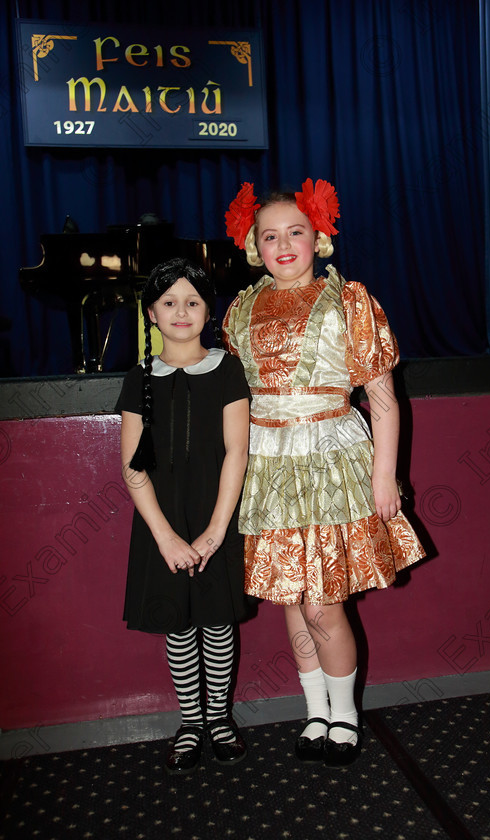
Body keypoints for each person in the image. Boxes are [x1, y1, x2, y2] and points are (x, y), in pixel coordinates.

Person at [222, 179, 425, 767]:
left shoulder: (349, 300)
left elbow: (382, 396)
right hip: (269, 465)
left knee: (321, 604)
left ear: (319, 237)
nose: (283, 245)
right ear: (252, 245)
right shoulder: (240, 309)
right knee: (292, 597)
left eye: (296, 232)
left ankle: (346, 715)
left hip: (333, 461)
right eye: (269, 236)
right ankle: (316, 713)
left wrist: (385, 475)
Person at [116, 257, 251, 775]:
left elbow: (236, 452)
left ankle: (219, 719)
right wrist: (167, 539)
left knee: (217, 624)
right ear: (151, 313)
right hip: (163, 527)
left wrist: (217, 531)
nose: (181, 310)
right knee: (178, 627)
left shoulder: (228, 370)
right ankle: (190, 722)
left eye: (192, 301)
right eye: (168, 302)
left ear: (207, 311)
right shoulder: (138, 378)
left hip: (217, 519)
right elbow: (133, 470)